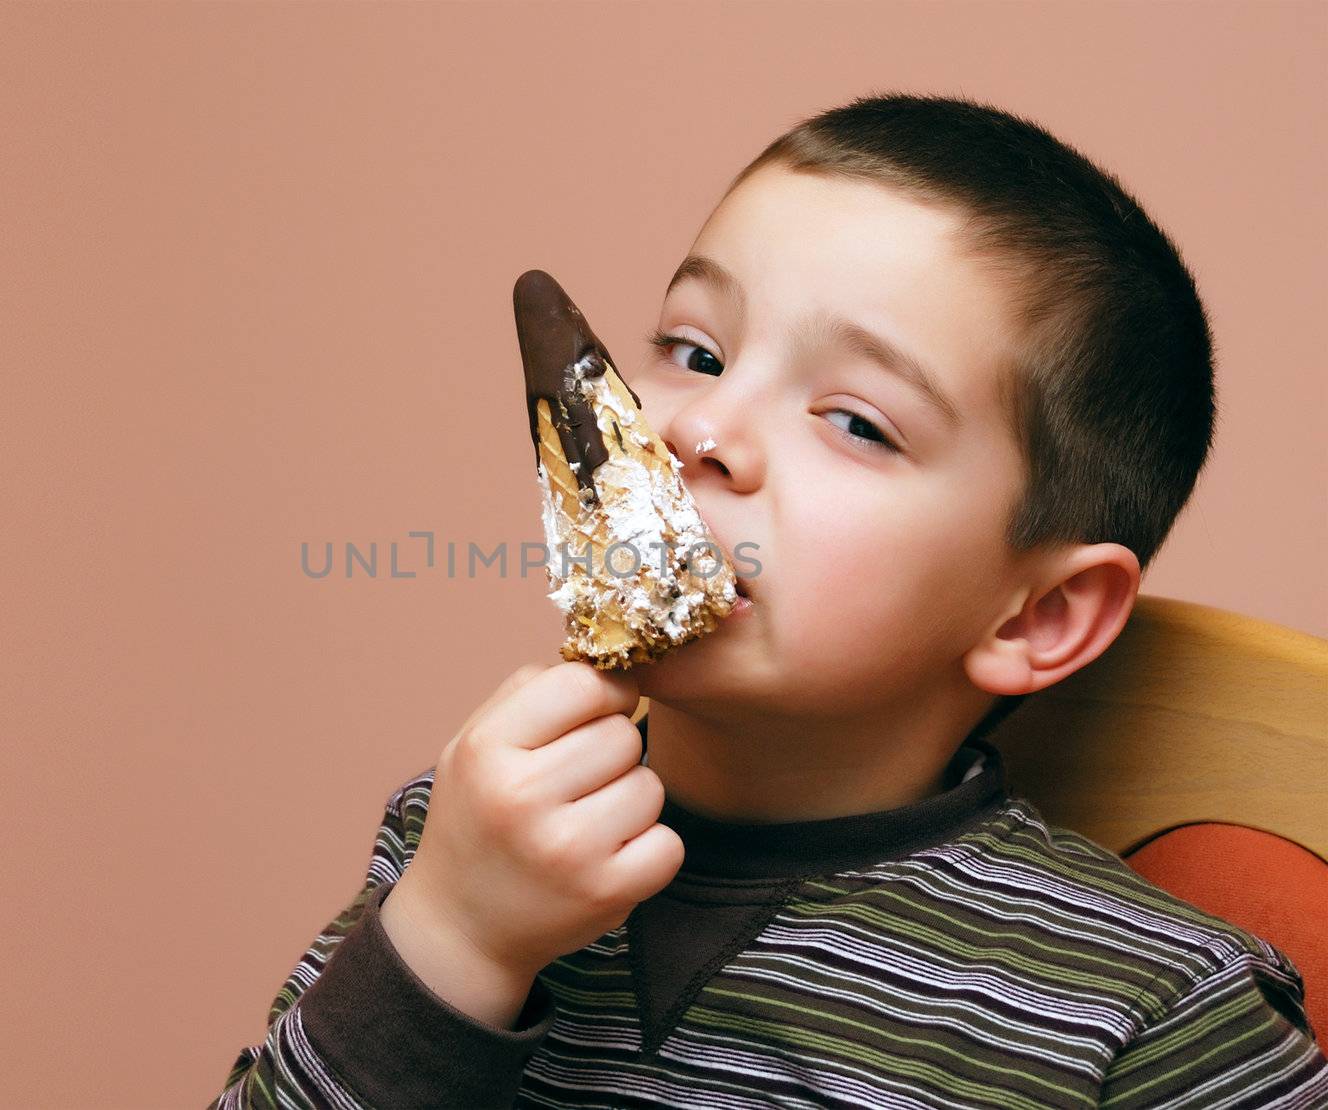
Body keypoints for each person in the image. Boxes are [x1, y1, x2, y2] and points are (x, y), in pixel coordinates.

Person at [209, 92, 1328, 1108]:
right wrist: (455, 937)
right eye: (694, 351)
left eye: (855, 421)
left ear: (1034, 616)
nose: (701, 432)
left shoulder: (1149, 1015)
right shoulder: (460, 843)